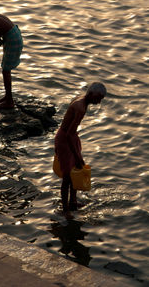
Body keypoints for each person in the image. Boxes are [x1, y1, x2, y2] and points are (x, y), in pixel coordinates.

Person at [54, 82, 107, 218]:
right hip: (66, 139)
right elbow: (68, 134)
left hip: (70, 136)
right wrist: (78, 157)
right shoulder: (81, 108)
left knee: (74, 172)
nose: (99, 101)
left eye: (101, 99)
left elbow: (71, 132)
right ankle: (65, 209)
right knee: (67, 176)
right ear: (90, 94)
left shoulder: (80, 100)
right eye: (98, 98)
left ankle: (73, 201)